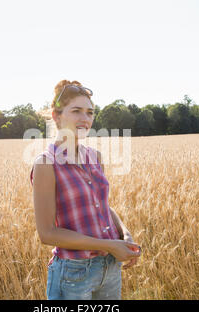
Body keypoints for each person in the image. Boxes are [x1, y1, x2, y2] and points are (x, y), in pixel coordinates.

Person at [30, 80, 141, 300]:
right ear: (56, 116)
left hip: (110, 268)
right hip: (73, 273)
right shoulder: (46, 163)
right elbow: (47, 233)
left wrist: (125, 235)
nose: (85, 119)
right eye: (77, 111)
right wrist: (110, 244)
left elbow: (102, 206)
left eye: (90, 112)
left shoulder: (95, 157)